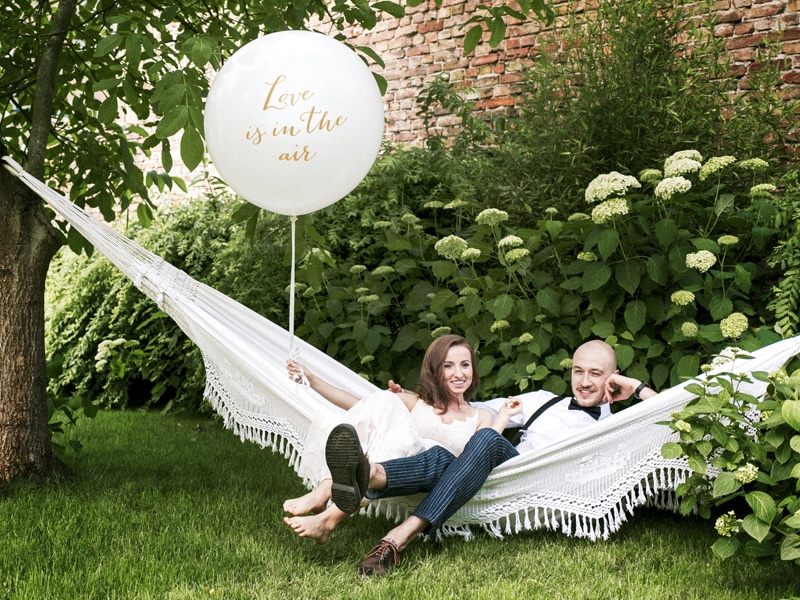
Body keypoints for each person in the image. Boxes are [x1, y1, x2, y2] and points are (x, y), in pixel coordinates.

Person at [324, 339, 657, 576]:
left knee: (482, 439)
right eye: (578, 371)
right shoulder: (543, 399)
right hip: (501, 470)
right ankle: (371, 474)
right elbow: (466, 411)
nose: (584, 382)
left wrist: (638, 389)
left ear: (612, 376)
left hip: (538, 482)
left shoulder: (616, 423)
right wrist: (410, 402)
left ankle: (399, 533)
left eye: (596, 374)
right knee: (446, 454)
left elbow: (670, 420)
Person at [282, 334, 521, 543]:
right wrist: (311, 380)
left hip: (438, 473)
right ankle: (327, 489)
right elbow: (361, 407)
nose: (459, 373)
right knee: (385, 400)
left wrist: (504, 415)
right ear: (435, 371)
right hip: (397, 470)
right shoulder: (416, 402)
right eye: (449, 366)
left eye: (465, 365)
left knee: (431, 448)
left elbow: (483, 451)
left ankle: (328, 512)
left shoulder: (480, 415)